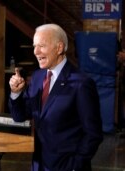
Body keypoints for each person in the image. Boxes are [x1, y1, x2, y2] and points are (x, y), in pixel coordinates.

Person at [8, 24, 103, 171]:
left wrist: (74, 166)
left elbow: (93, 134)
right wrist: (16, 93)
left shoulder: (82, 83)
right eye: (34, 46)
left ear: (59, 48)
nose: (35, 51)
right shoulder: (37, 77)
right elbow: (19, 116)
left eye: (41, 46)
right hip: (39, 165)